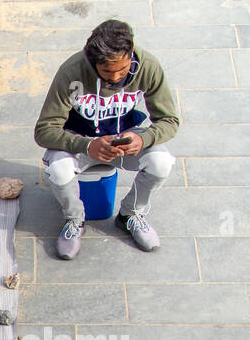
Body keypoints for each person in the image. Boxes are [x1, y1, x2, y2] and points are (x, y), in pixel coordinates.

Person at [34, 19, 179, 260]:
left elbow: (170, 121)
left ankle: (130, 215)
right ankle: (74, 220)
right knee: (58, 170)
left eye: (122, 69)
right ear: (93, 64)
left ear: (131, 54)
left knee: (161, 163)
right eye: (107, 72)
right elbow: (44, 130)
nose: (116, 78)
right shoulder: (71, 72)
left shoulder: (149, 67)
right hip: (81, 142)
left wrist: (142, 140)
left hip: (125, 141)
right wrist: (87, 145)